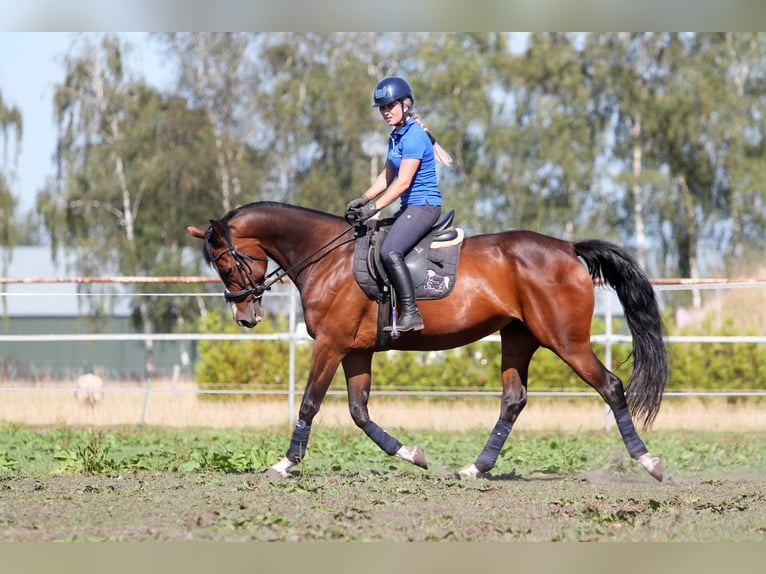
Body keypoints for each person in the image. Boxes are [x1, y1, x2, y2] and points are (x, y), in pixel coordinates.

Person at [345, 76, 451, 332]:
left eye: (389, 106)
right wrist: (363, 199)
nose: (385, 112)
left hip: (424, 206)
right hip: (410, 208)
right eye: (382, 107)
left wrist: (374, 209)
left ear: (406, 105)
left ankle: (411, 313)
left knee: (389, 251)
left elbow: (402, 183)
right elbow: (387, 175)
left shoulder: (414, 137)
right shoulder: (397, 136)